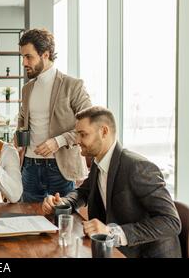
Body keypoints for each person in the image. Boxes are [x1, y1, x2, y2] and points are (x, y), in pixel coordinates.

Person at [42, 106, 181, 258]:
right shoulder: (99, 162)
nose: (77, 141)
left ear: (104, 132)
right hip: (114, 251)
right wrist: (63, 202)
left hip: (145, 253)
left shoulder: (138, 167)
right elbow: (84, 191)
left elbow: (171, 222)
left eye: (83, 135)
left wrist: (112, 232)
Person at [17, 28, 92, 202]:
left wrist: (58, 141)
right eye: (22, 57)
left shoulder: (73, 86)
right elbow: (23, 118)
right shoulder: (27, 89)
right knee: (29, 220)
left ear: (45, 54)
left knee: (61, 221)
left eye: (29, 57)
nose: (24, 62)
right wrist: (19, 134)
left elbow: (89, 125)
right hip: (29, 167)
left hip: (60, 169)